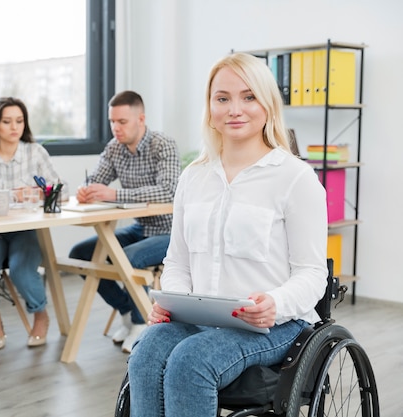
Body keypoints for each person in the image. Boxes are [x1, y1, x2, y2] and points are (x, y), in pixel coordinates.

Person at [127, 53, 329, 416]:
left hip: (275, 325)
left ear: (267, 104)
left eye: (249, 97)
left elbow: (313, 274)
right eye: (223, 98)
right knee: (146, 350)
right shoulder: (194, 176)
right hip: (204, 314)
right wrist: (172, 300)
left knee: (191, 360)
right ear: (210, 108)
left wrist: (275, 303)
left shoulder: (296, 178)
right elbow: (178, 261)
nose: (235, 109)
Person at [68, 90, 181, 353]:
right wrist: (88, 190)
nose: (115, 128)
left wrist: (116, 194)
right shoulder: (114, 148)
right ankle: (128, 311)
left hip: (172, 231)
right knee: (82, 254)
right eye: (112, 122)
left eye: (122, 122)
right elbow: (96, 180)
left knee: (125, 258)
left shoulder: (162, 144)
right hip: (141, 228)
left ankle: (142, 324)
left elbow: (169, 191)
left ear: (140, 119)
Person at [0, 97, 59, 349]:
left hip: (25, 230)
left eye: (19, 121)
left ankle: (41, 314)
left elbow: (57, 188)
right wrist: (16, 194)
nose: (14, 127)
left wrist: (42, 192)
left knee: (22, 269)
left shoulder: (35, 152)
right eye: (7, 121)